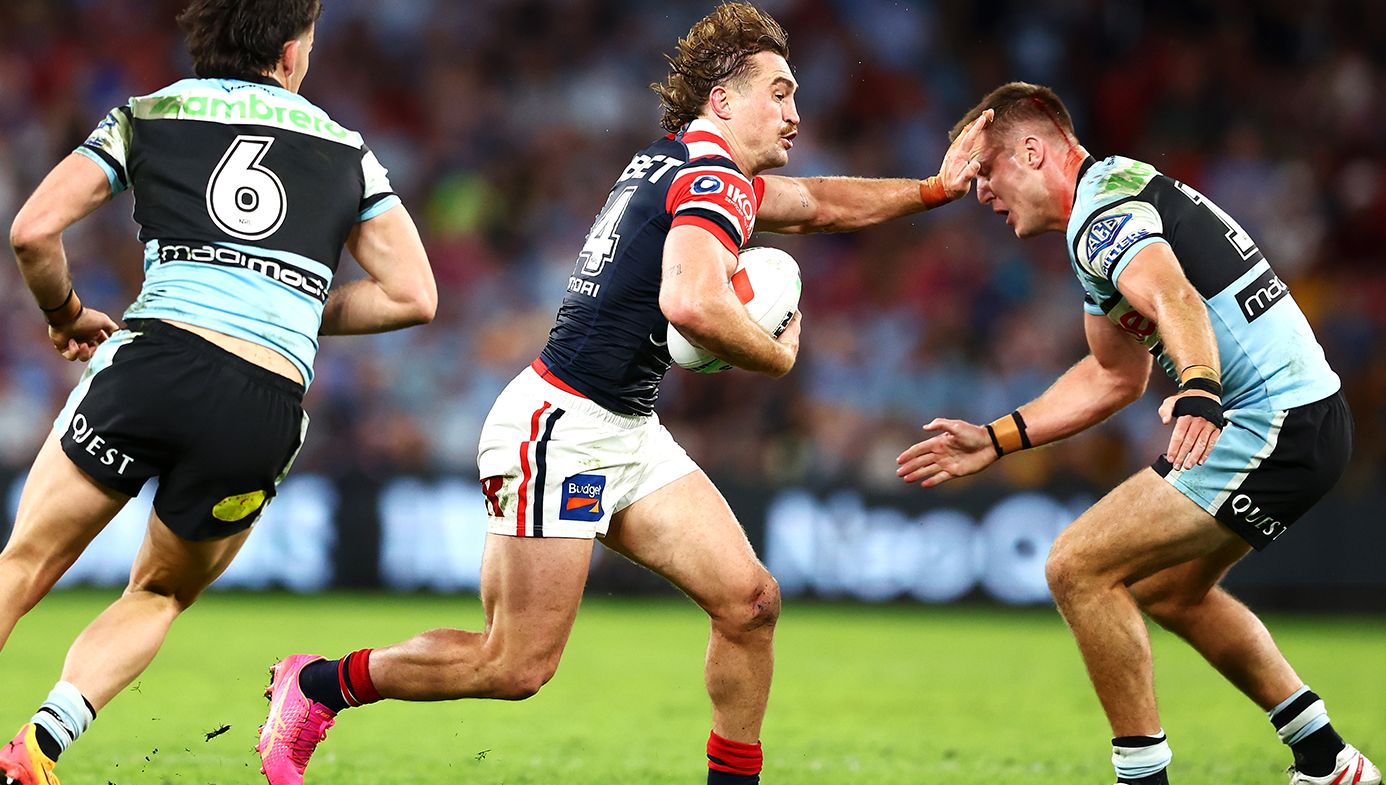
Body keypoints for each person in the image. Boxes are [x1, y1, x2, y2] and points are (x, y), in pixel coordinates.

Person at [256, 3, 989, 784]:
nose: (795, 113)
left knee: (749, 602)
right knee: (515, 664)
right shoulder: (708, 177)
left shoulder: (684, 163)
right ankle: (316, 683)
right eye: (779, 92)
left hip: (624, 428)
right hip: (560, 429)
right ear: (723, 99)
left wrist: (933, 190)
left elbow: (814, 204)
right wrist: (775, 359)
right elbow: (691, 302)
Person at [0, 0, 436, 782]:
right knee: (159, 592)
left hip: (153, 363)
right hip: (262, 403)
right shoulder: (346, 151)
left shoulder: (147, 115)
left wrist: (65, 314)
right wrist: (292, 309)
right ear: (294, 51)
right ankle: (37, 746)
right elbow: (414, 295)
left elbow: (32, 230)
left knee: (24, 563)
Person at [896, 82, 1380, 785]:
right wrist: (996, 438)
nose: (980, 191)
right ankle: (1327, 757)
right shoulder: (1112, 196)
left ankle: (1142, 778)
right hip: (1307, 418)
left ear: (1033, 151)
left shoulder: (1103, 217)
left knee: (1075, 565)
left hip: (1271, 418)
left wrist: (1199, 389)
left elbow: (1175, 295)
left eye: (986, 170)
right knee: (1166, 588)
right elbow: (1112, 376)